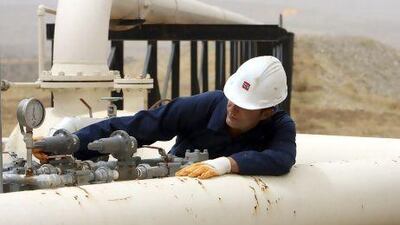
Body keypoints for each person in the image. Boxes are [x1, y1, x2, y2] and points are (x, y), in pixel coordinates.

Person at [39, 56, 296, 179]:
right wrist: (70, 145)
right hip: (174, 185)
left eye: (243, 105)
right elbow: (138, 126)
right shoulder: (206, 105)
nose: (232, 108)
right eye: (232, 99)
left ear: (267, 112)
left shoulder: (279, 125)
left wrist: (226, 164)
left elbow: (282, 158)